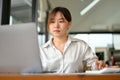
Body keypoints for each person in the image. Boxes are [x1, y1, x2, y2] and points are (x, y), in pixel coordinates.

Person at [39, 7, 106, 73]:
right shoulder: (41, 51)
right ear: (48, 26)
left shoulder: (81, 46)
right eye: (52, 22)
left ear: (69, 24)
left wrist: (99, 65)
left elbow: (94, 66)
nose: (56, 25)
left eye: (60, 21)